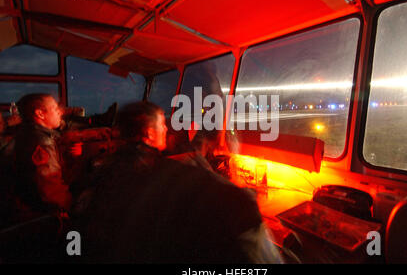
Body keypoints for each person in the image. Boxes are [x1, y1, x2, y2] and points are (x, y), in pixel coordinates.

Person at [78, 101, 282, 263]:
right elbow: (239, 203)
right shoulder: (160, 170)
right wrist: (250, 195)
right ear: (149, 133)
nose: (166, 129)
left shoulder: (101, 168)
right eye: (162, 124)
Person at [12, 93, 72, 222]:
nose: (60, 112)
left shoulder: (30, 133)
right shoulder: (42, 142)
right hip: (44, 216)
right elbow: (51, 192)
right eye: (55, 108)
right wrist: (75, 207)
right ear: (40, 114)